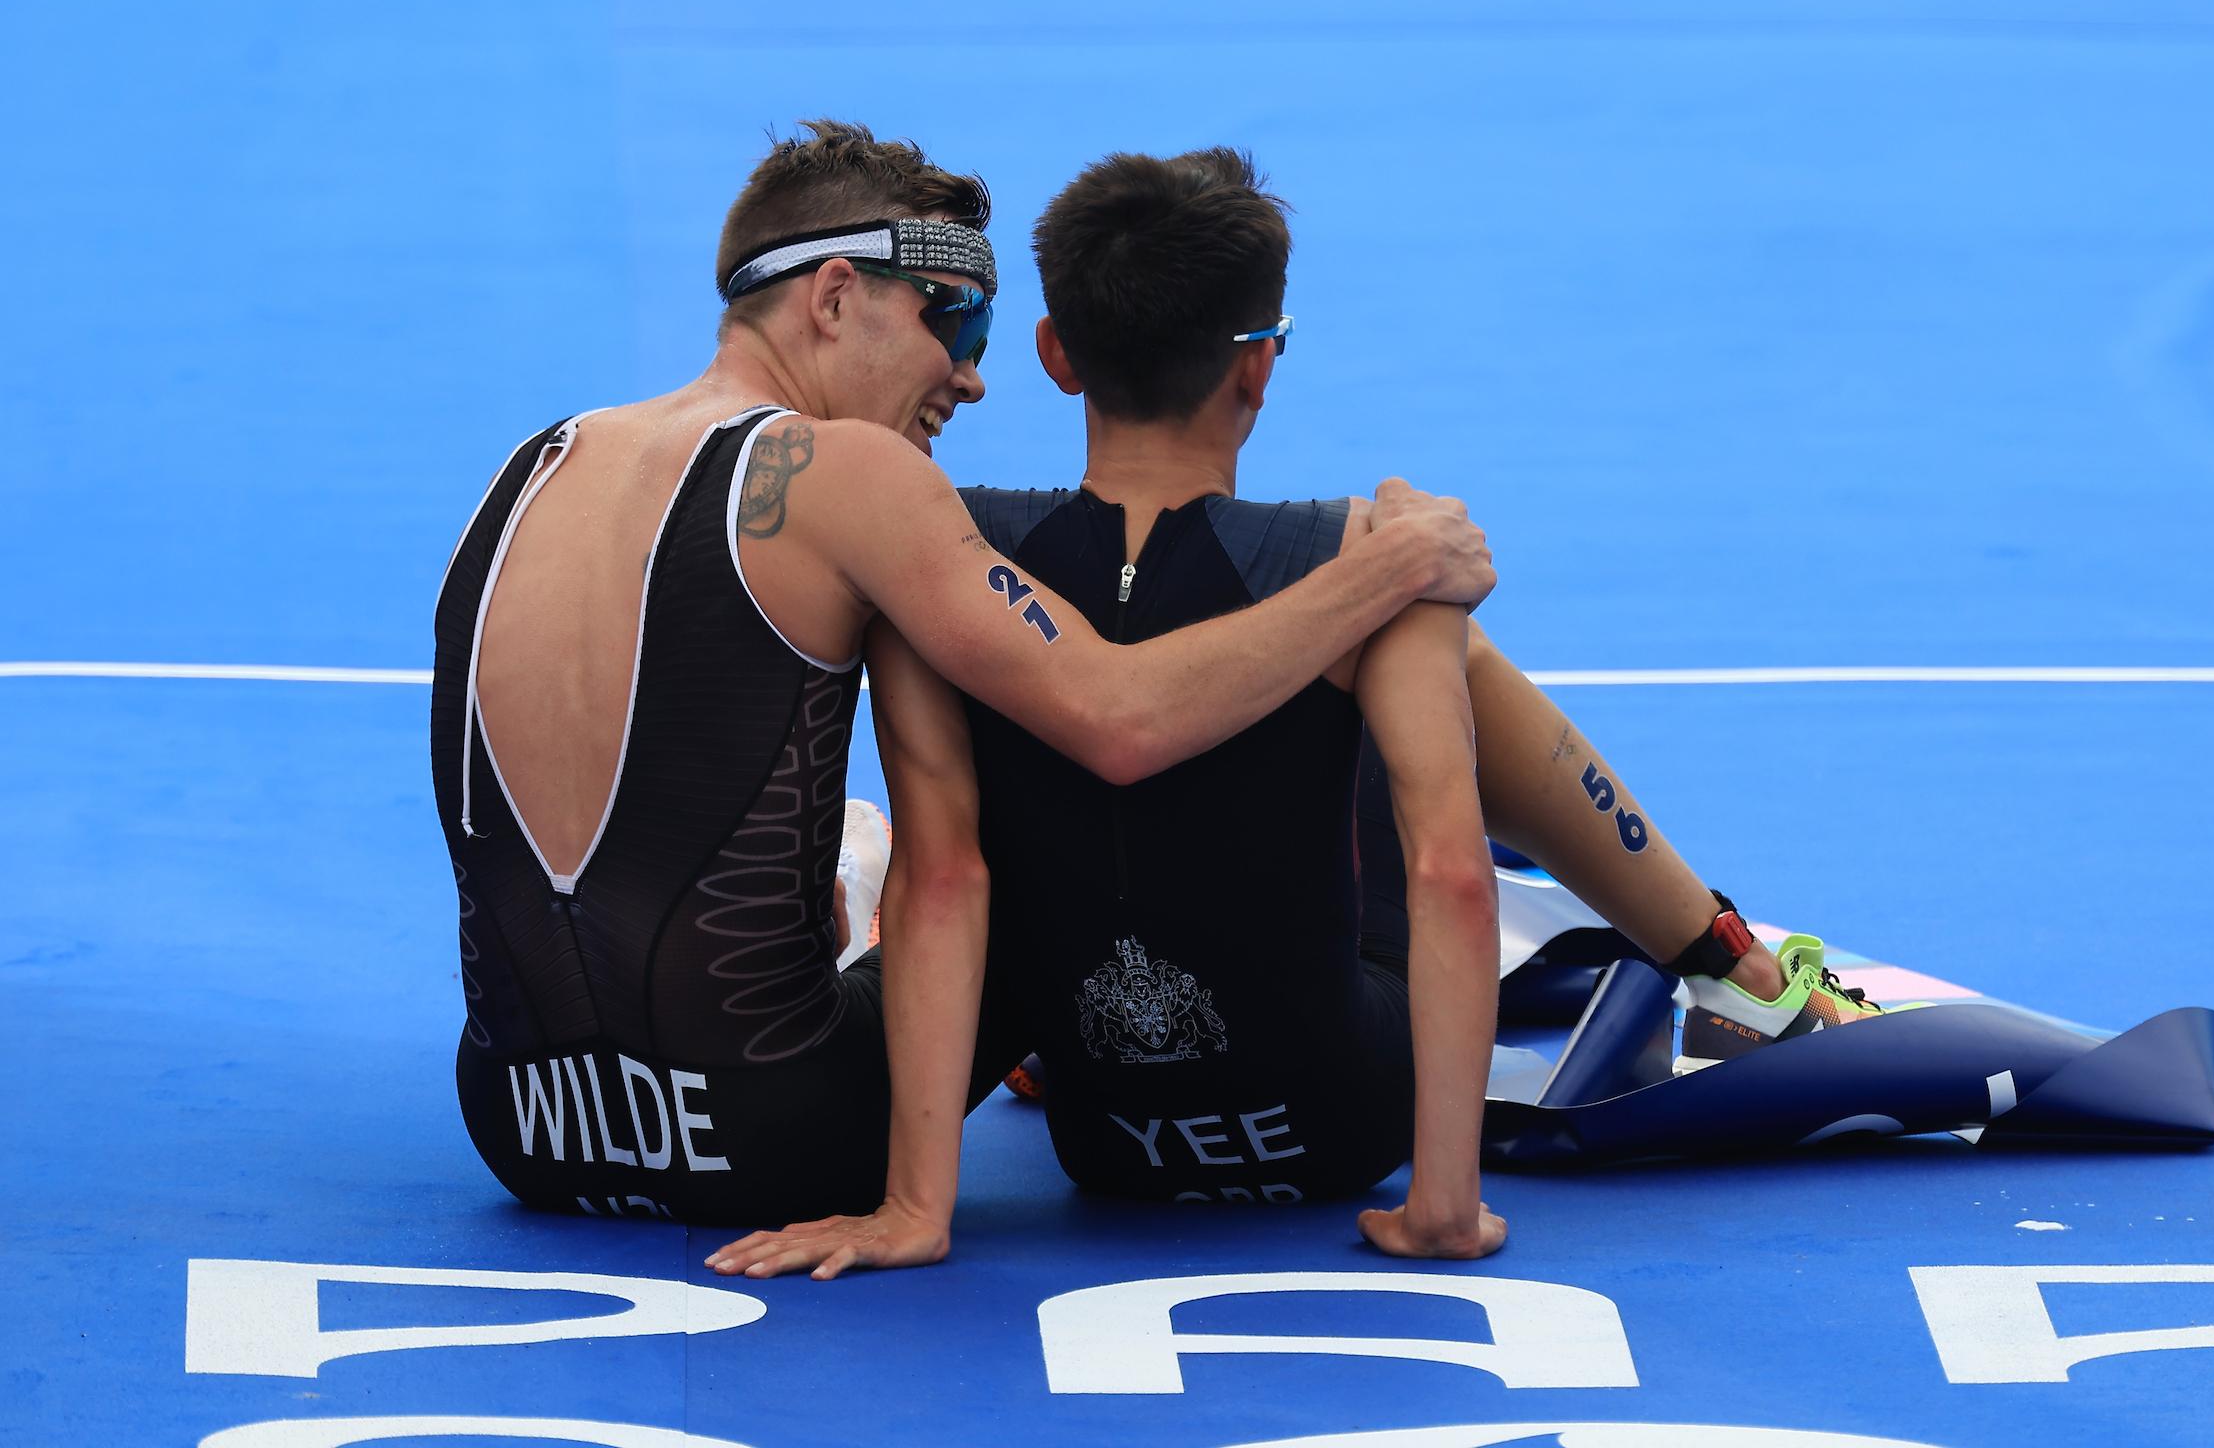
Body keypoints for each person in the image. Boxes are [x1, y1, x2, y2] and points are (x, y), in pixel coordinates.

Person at [706, 149, 1892, 1278]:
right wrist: (1444, 1202)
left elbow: (947, 878)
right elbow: (1452, 877)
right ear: (1259, 364)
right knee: (1408, 626)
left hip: (1106, 1137)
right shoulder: (1363, 548)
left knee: (987, 809)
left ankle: (1030, 1018)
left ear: (1057, 355)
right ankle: (1724, 959)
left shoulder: (949, 543)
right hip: (1337, 1124)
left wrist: (921, 1202)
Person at [430, 122, 1494, 1229]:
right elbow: (1117, 716)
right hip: (779, 1130)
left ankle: (849, 880)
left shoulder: (536, 465)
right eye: (953, 318)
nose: (972, 375)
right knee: (1026, 843)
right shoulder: (846, 472)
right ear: (834, 296)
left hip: (521, 1124)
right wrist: (1391, 571)